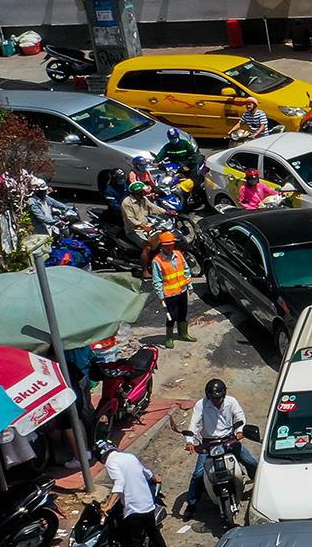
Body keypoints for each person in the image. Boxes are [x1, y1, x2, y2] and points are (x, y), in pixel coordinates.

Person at [183, 378, 258, 517]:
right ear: (208, 396)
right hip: (209, 443)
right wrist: (190, 441)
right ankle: (191, 505)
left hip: (229, 440)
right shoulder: (202, 405)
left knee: (252, 462)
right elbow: (194, 424)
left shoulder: (231, 402)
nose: (216, 401)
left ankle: (257, 484)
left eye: (219, 398)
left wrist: (240, 431)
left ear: (224, 395)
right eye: (213, 398)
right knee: (198, 474)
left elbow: (239, 417)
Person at [95, 440, 165, 547]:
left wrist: (108, 505)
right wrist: (154, 478)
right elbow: (145, 471)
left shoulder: (110, 463)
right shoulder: (129, 456)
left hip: (134, 509)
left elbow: (119, 482)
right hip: (148, 504)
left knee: (133, 542)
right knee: (153, 533)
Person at [150, 233, 195, 347]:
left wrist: (189, 286)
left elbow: (186, 270)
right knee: (171, 316)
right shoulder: (157, 261)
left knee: (183, 313)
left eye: (171, 244)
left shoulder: (179, 255)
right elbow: (157, 280)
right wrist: (160, 296)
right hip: (170, 294)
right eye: (167, 245)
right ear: (162, 246)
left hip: (182, 291)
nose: (170, 247)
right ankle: (169, 338)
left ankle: (183, 334)